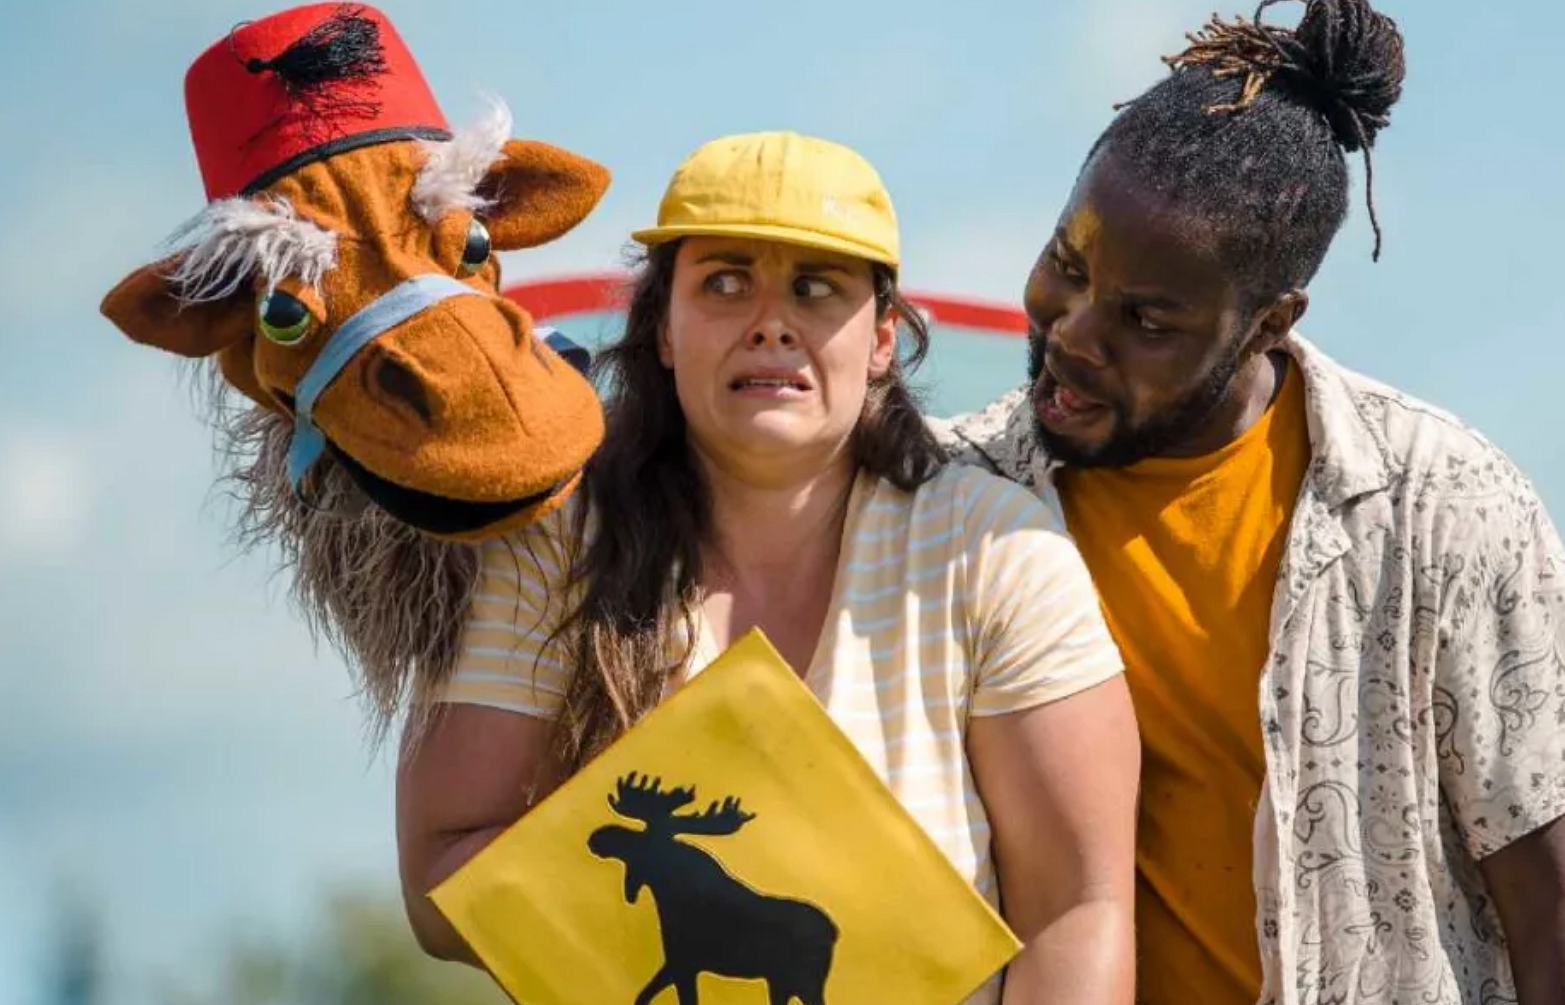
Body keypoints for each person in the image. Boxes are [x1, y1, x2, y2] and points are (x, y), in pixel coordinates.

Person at [932, 3, 1565, 1004]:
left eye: (1146, 320)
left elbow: (1564, 940)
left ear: (1268, 323)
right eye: (1067, 265)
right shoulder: (952, 499)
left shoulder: (1443, 507)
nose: (1075, 334)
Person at [393, 130, 1141, 1005]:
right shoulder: (553, 545)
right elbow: (441, 883)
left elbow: (1077, 910)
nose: (770, 323)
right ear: (662, 329)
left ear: (883, 338)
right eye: (724, 283)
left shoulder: (997, 550)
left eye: (816, 288)